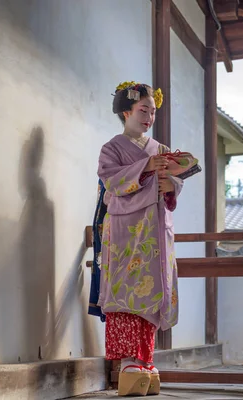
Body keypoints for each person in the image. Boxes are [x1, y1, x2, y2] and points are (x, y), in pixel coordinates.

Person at [92, 81, 183, 396]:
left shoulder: (161, 148)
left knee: (154, 290)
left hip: (156, 232)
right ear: (126, 111)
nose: (149, 117)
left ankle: (146, 360)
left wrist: (172, 186)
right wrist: (145, 166)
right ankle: (130, 361)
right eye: (144, 110)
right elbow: (112, 183)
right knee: (128, 290)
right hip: (127, 231)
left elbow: (171, 184)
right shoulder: (112, 148)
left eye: (153, 111)